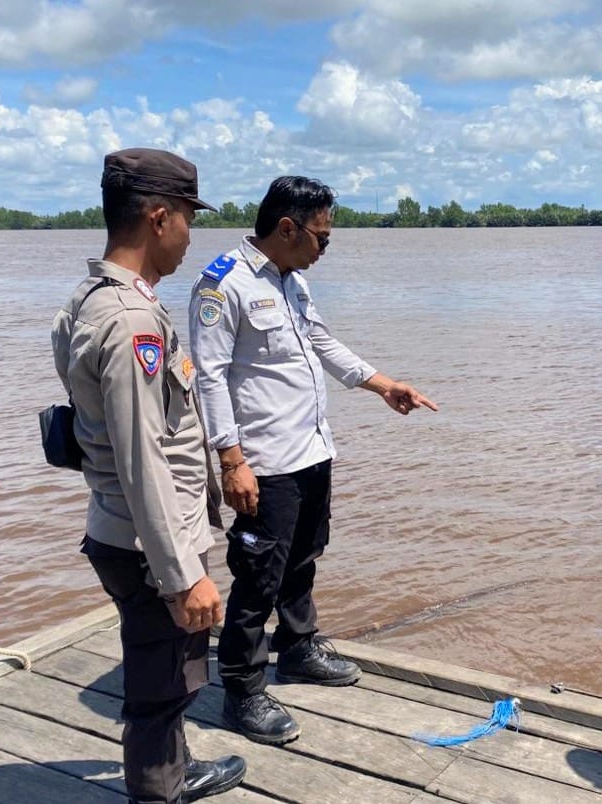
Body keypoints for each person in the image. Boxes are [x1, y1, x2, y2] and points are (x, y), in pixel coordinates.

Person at [188, 176, 438, 745]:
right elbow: (210, 378)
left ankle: (298, 648)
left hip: (311, 449)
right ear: (287, 228)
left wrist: (383, 385)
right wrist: (231, 461)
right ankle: (242, 689)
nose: (326, 247)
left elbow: (322, 342)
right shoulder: (222, 285)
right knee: (258, 577)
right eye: (322, 237)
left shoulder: (292, 280)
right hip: (264, 460)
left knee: (303, 558)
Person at [52, 148, 247, 803]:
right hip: (149, 545)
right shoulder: (131, 319)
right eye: (189, 218)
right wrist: (182, 574)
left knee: (165, 670)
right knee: (161, 684)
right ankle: (158, 790)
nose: (191, 236)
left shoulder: (88, 299)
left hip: (120, 529)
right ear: (159, 218)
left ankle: (173, 770)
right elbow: (143, 459)